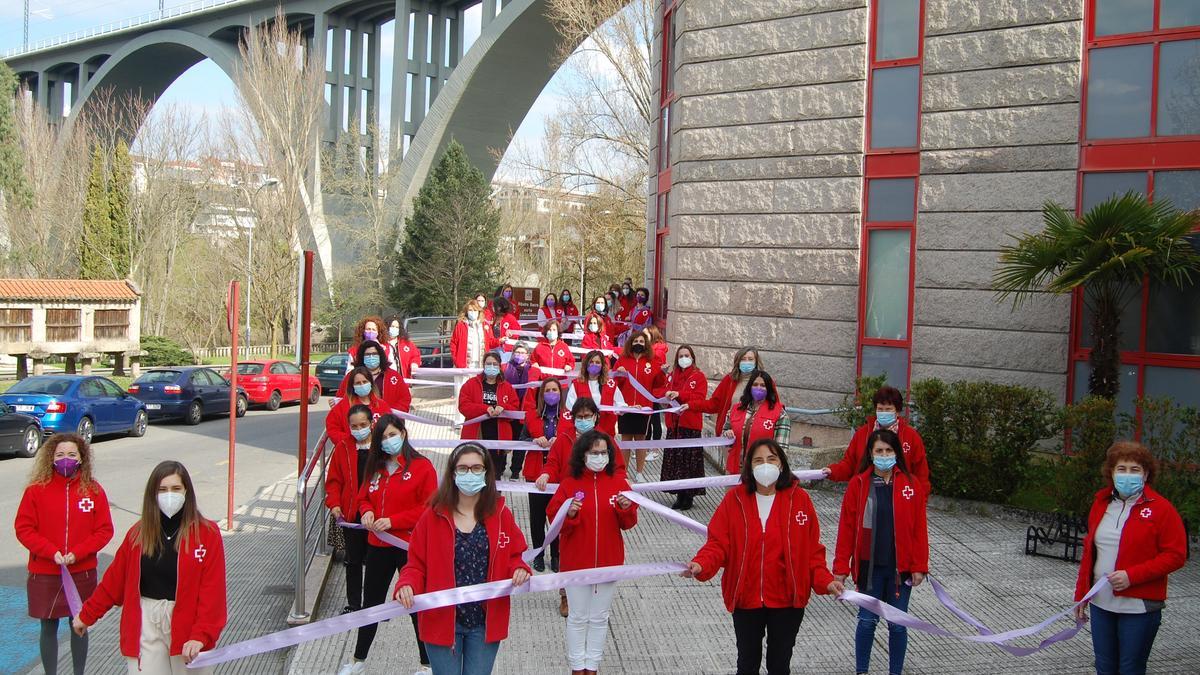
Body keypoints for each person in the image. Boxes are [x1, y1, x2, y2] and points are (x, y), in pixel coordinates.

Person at [683, 439, 843, 675]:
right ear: (749, 466)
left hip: (787, 600)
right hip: (746, 598)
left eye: (771, 459)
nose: (765, 465)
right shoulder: (734, 500)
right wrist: (700, 564)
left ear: (781, 464)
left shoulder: (800, 501)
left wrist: (826, 581)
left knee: (779, 666)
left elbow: (811, 553)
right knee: (746, 665)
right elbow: (718, 544)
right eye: (758, 460)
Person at [74, 461, 226, 675]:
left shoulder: (207, 534)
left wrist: (200, 635)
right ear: (152, 495)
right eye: (162, 490)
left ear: (187, 492)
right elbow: (113, 582)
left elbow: (213, 592)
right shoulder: (138, 534)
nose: (169, 495)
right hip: (146, 622)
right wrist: (87, 615)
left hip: (189, 625)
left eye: (176, 489)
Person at [395, 443, 531, 675]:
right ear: (452, 473)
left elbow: (514, 555)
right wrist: (406, 584)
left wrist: (519, 568)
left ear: (487, 473)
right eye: (463, 468)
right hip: (442, 619)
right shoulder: (433, 516)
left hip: (484, 622)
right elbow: (416, 563)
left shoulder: (500, 514)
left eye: (477, 468)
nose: (470, 474)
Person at [1073, 441, 1187, 675]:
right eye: (1121, 469)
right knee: (1104, 667)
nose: (1127, 475)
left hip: (1139, 607)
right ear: (1111, 473)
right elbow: (1090, 553)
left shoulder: (1162, 509)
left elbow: (1176, 555)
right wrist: (1081, 594)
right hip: (1101, 603)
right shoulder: (1101, 504)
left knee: (1130, 669)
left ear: (1146, 474)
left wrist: (1131, 576)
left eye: (1135, 470)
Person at [340, 415, 436, 675]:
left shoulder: (422, 467)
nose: (388, 441)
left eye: (392, 435)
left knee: (414, 604)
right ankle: (358, 660)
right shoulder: (376, 466)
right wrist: (367, 511)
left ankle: (427, 663)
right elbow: (363, 498)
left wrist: (393, 520)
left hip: (409, 548)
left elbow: (428, 509)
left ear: (403, 434)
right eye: (382, 437)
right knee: (370, 603)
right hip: (377, 546)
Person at [832, 429, 929, 675]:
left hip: (900, 569)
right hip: (869, 568)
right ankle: (862, 671)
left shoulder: (910, 484)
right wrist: (840, 570)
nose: (884, 455)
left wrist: (919, 566)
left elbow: (919, 528)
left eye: (889, 450)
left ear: (896, 453)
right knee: (866, 622)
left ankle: (895, 672)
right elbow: (846, 528)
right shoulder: (859, 484)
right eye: (879, 451)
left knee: (897, 625)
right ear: (871, 454)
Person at [16, 433, 114, 675]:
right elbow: (24, 529)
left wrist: (78, 553)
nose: (66, 459)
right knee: (47, 625)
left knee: (79, 625)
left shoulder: (93, 490)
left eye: (72, 454)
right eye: (60, 455)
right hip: (45, 571)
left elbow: (104, 530)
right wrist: (51, 552)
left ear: (82, 458)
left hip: (81, 571)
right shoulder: (35, 491)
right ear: (50, 458)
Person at [547, 431, 638, 675]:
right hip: (577, 563)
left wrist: (625, 509)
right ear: (582, 455)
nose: (599, 457)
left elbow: (629, 523)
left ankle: (592, 666)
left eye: (603, 452)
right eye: (594, 453)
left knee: (599, 617)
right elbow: (554, 521)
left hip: (609, 563)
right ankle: (577, 667)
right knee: (577, 617)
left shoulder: (619, 484)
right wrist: (571, 515)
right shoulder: (569, 484)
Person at [822, 386, 930, 495]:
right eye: (880, 409)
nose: (884, 413)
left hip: (901, 497)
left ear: (897, 411)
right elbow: (849, 464)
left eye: (888, 409)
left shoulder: (911, 437)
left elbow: (921, 475)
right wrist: (832, 471)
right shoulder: (862, 434)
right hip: (866, 496)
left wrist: (920, 504)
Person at [325, 404, 376, 614]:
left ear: (372, 423)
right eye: (354, 426)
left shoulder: (382, 447)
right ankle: (354, 604)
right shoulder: (343, 447)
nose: (359, 430)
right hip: (351, 513)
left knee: (375, 563)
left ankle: (374, 605)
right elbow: (334, 481)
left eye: (363, 425)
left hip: (377, 514)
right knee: (352, 561)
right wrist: (335, 504)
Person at [519, 379, 564, 572]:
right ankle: (538, 554)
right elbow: (520, 440)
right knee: (537, 518)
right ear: (541, 394)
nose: (551, 393)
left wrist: (560, 440)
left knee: (557, 518)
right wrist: (533, 439)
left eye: (555, 390)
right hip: (535, 473)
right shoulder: (532, 416)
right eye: (548, 390)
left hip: (559, 475)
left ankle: (556, 555)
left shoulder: (568, 418)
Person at [613, 331, 666, 482]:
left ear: (646, 344)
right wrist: (619, 374)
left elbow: (658, 385)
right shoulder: (622, 360)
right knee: (626, 440)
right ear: (630, 342)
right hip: (626, 407)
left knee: (641, 440)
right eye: (636, 341)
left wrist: (662, 373)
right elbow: (615, 383)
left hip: (644, 408)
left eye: (642, 341)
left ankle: (640, 473)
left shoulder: (653, 360)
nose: (638, 344)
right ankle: (623, 473)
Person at [660, 344, 707, 511]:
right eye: (680, 356)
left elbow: (699, 398)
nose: (684, 358)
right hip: (674, 424)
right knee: (676, 460)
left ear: (692, 357)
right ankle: (679, 493)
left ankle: (688, 495)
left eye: (686, 355)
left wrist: (681, 395)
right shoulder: (672, 375)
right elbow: (665, 391)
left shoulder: (698, 376)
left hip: (690, 424)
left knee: (688, 461)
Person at [458, 351, 519, 477]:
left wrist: (504, 408)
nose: (491, 367)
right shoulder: (470, 384)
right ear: (483, 365)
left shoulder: (507, 387)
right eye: (488, 364)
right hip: (476, 435)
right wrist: (485, 409)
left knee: (495, 476)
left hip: (499, 438)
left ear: (500, 366)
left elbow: (515, 409)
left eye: (495, 364)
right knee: (475, 474)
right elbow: (463, 406)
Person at [724, 370, 789, 475]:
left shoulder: (780, 414)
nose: (759, 388)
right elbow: (725, 430)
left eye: (763, 385)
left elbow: (782, 450)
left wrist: (774, 472)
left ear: (769, 389)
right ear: (749, 387)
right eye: (755, 384)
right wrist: (727, 433)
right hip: (734, 469)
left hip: (762, 471)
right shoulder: (736, 409)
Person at [691, 347, 762, 441]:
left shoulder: (763, 381)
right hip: (729, 435)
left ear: (756, 362)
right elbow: (714, 404)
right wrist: (690, 405)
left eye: (750, 359)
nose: (747, 362)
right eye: (743, 359)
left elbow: (773, 405)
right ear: (738, 361)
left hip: (754, 435)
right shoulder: (729, 380)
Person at [326, 367, 392, 451]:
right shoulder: (343, 406)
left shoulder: (382, 406)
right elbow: (333, 429)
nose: (362, 385)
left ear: (371, 383)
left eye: (364, 382)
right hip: (351, 452)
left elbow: (391, 428)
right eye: (358, 383)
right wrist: (351, 441)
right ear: (352, 386)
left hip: (378, 454)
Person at [337, 339, 412, 413]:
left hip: (389, 421)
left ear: (380, 355)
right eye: (367, 355)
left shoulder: (393, 376)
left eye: (374, 354)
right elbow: (340, 398)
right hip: (360, 422)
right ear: (362, 357)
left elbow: (405, 399)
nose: (371, 357)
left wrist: (390, 414)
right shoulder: (352, 376)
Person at [502, 343, 542, 479]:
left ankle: (515, 471)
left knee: (521, 443)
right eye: (517, 352)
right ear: (513, 353)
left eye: (523, 352)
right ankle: (501, 468)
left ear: (528, 355)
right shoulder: (504, 368)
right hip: (507, 411)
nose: (520, 355)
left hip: (525, 412)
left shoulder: (535, 371)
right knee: (505, 441)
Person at [564, 350, 626, 436]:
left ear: (602, 366)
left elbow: (620, 404)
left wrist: (631, 408)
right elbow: (570, 406)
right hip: (584, 431)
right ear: (586, 365)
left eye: (597, 362)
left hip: (606, 430)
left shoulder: (610, 384)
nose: (594, 365)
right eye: (591, 362)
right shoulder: (577, 384)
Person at [643, 327, 668, 462]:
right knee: (648, 419)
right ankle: (646, 447)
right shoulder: (649, 350)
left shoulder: (658, 352)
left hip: (654, 390)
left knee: (655, 419)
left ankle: (655, 449)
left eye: (646, 335)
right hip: (646, 389)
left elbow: (657, 372)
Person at [450, 299, 497, 370]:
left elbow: (490, 342)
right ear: (466, 312)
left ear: (479, 312)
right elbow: (453, 343)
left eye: (475, 310)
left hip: (480, 363)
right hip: (463, 365)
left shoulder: (485, 325)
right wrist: (456, 361)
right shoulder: (460, 325)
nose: (473, 312)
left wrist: (500, 341)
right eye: (470, 310)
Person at [386, 315, 422, 380]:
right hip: (386, 381)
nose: (394, 329)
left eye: (397, 327)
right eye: (392, 326)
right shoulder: (381, 344)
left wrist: (414, 363)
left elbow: (415, 356)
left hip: (404, 381)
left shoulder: (407, 344)